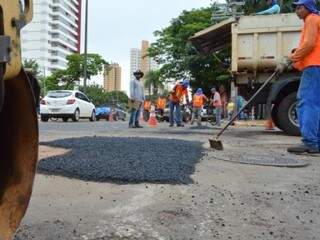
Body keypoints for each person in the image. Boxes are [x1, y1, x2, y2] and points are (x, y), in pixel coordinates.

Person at [286, 0, 320, 154]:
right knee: (316, 105)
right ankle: (316, 142)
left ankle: (310, 143)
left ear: (308, 8)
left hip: (314, 67)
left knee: (306, 102)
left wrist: (290, 58)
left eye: (299, 7)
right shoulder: (315, 19)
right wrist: (295, 56)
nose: (296, 10)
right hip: (317, 66)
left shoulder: (312, 19)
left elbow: (309, 44)